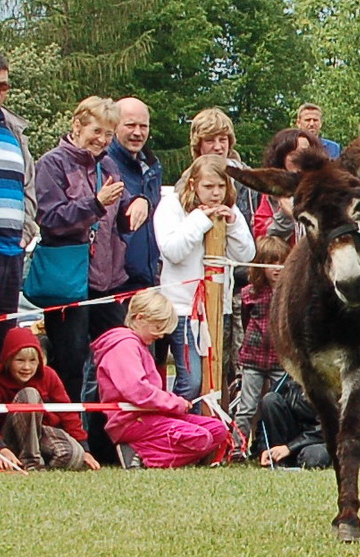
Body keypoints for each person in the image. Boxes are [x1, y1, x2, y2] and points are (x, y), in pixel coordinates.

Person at [32, 96, 133, 394]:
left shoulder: (110, 165)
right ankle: (66, 421)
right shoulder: (52, 163)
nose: (102, 140)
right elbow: (50, 219)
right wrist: (95, 204)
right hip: (67, 279)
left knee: (116, 356)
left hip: (107, 279)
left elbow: (122, 212)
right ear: (77, 125)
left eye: (108, 134)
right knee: (71, 362)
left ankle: (105, 423)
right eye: (96, 131)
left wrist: (139, 204)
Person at [154, 155, 256, 400]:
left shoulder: (228, 209)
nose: (216, 193)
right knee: (192, 382)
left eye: (221, 186)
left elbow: (246, 255)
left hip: (218, 309)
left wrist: (232, 225)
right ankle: (177, 420)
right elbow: (173, 251)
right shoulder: (171, 206)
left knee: (213, 384)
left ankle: (202, 424)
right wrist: (200, 219)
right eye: (209, 186)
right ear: (193, 184)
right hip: (183, 310)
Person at [93, 289, 231, 468]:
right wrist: (175, 403)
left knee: (218, 429)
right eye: (158, 328)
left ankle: (148, 452)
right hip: (131, 421)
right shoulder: (124, 346)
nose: (160, 335)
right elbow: (137, 391)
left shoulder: (137, 345)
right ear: (140, 318)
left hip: (151, 415)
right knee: (200, 437)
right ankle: (141, 454)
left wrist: (172, 403)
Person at [0, 48, 38, 363]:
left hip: (12, 252)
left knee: (3, 342)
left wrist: (26, 232)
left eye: (2, 86)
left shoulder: (14, 132)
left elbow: (28, 187)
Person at [0, 328, 99, 471]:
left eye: (32, 361)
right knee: (29, 395)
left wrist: (84, 448)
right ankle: (31, 462)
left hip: (42, 433)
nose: (27, 367)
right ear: (8, 360)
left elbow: (67, 413)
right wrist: (1, 449)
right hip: (10, 438)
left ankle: (41, 464)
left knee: (75, 456)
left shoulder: (49, 375)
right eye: (20, 360)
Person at [231, 233, 288, 454]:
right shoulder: (250, 293)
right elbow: (246, 320)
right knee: (246, 406)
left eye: (281, 263)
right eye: (271, 263)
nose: (277, 269)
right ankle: (237, 447)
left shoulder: (289, 294)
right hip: (253, 359)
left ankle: (267, 446)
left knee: (275, 404)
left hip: (279, 360)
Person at [105, 97, 162, 296]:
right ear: (114, 126)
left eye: (143, 126)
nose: (137, 132)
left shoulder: (153, 167)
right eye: (130, 125)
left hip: (147, 278)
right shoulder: (104, 164)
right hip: (113, 283)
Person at [251, 129, 323, 239]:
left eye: (305, 153)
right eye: (294, 154)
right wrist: (284, 216)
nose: (300, 159)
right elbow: (262, 235)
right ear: (281, 158)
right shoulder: (273, 192)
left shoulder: (325, 188)